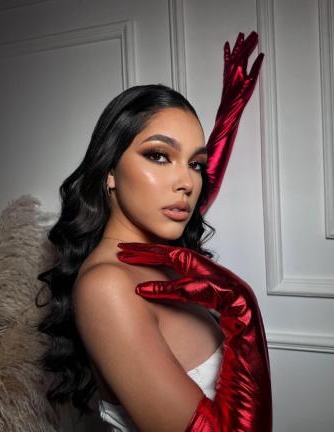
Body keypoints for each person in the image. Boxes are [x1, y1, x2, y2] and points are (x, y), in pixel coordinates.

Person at [37, 32, 272, 431]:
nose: (187, 183)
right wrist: (243, 311)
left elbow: (199, 183)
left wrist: (230, 111)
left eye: (195, 164)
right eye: (159, 156)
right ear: (109, 171)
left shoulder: (158, 250)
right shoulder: (107, 286)